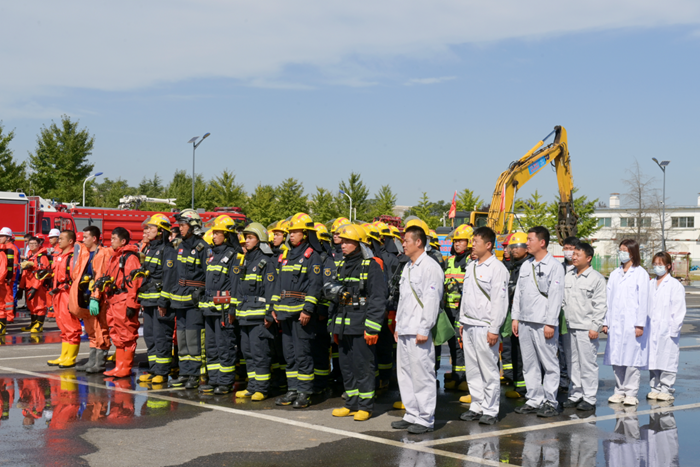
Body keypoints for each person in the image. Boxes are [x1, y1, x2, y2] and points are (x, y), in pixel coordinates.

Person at [328, 224, 387, 421]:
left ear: (359, 243)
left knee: (364, 367)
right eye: (341, 241)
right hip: (344, 324)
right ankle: (351, 403)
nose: (342, 245)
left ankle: (365, 406)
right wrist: (334, 326)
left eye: (346, 242)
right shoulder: (342, 264)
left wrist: (372, 328)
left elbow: (378, 298)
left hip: (362, 325)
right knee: (347, 366)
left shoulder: (371, 266)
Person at [391, 221, 444, 434]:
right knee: (405, 374)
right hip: (405, 328)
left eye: (406, 241)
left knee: (422, 374)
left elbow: (431, 300)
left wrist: (424, 328)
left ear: (418, 242)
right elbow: (403, 300)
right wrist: (397, 325)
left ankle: (425, 417)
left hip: (419, 330)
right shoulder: (408, 266)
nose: (403, 244)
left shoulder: (430, 267)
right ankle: (412, 413)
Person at [511, 226, 565, 418]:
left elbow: (556, 297)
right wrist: (515, 317)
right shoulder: (527, 265)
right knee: (529, 363)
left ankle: (551, 401)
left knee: (549, 363)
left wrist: (551, 323)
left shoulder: (555, 267)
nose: (527, 243)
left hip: (543, 323)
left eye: (530, 239)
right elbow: (519, 293)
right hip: (525, 321)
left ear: (542, 242)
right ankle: (534, 398)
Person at [458, 226, 509, 425]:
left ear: (488, 245)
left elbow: (500, 301)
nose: (472, 245)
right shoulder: (472, 266)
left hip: (485, 325)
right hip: (469, 324)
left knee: (488, 368)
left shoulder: (497, 269)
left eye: (476, 242)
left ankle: (490, 409)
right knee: (472, 368)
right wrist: (462, 321)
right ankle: (476, 405)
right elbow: (466, 296)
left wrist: (494, 328)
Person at [272, 213, 323, 409]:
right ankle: (292, 389)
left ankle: (304, 392)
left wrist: (308, 310)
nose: (291, 235)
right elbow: (277, 284)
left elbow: (315, 285)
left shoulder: (312, 256)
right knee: (290, 355)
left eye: (295, 232)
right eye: (290, 232)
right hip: (284, 313)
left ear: (305, 233)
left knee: (303, 355)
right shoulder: (284, 256)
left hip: (301, 315)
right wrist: (274, 307)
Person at [161, 209, 210, 389]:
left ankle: (195, 374)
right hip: (179, 297)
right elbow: (173, 273)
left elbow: (209, 275)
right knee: (181, 337)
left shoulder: (203, 248)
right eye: (180, 225)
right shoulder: (179, 246)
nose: (180, 229)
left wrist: (202, 291)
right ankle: (185, 372)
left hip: (194, 299)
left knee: (193, 337)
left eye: (183, 225)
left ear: (193, 226)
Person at [195, 215, 241, 395]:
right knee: (211, 346)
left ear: (227, 235)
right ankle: (214, 379)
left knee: (225, 346)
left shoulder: (234, 257)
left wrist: (231, 309)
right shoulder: (212, 255)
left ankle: (225, 382)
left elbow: (235, 286)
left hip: (223, 310)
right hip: (209, 309)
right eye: (213, 233)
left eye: (217, 233)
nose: (213, 236)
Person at [234, 222, 279, 400]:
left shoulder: (265, 262)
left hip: (259, 317)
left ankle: (261, 388)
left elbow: (272, 290)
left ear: (260, 240)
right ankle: (252, 386)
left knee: (260, 354)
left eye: (250, 238)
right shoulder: (246, 260)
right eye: (246, 237)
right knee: (248, 353)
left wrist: (269, 313)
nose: (246, 241)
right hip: (245, 315)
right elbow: (239, 289)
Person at [561, 242, 607, 411]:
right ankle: (576, 394)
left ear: (588, 258)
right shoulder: (568, 275)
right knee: (572, 362)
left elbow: (600, 305)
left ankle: (589, 397)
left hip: (586, 328)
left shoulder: (596, 279)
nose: (573, 257)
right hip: (569, 326)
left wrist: (595, 327)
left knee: (587, 363)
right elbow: (563, 301)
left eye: (577, 255)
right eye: (573, 254)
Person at [603, 239, 649, 406]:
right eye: (620, 250)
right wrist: (606, 322)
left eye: (624, 250)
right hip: (615, 323)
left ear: (632, 253)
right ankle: (619, 390)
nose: (621, 253)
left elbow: (643, 300)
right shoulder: (615, 274)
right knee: (616, 358)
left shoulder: (640, 273)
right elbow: (609, 300)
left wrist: (640, 324)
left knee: (631, 358)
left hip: (632, 324)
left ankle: (631, 392)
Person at [137, 214, 175, 386]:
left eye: (150, 228)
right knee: (150, 337)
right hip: (148, 301)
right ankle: (153, 369)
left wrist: (163, 301)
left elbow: (169, 278)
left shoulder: (168, 250)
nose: (147, 230)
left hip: (160, 301)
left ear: (161, 231)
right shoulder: (149, 249)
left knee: (162, 337)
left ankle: (162, 372)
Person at [73, 226, 114, 373]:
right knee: (91, 330)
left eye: (85, 237)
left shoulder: (101, 254)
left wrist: (95, 297)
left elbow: (100, 278)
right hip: (85, 296)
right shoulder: (85, 253)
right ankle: (92, 361)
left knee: (100, 328)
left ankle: (100, 362)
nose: (83, 240)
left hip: (98, 297)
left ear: (94, 238)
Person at [102, 227, 143, 378]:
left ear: (123, 241)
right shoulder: (115, 256)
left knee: (127, 335)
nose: (111, 241)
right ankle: (119, 366)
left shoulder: (129, 258)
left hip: (124, 300)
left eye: (114, 238)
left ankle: (125, 367)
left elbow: (135, 281)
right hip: (114, 300)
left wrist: (132, 305)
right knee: (117, 334)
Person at [646, 252, 686, 402]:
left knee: (667, 359)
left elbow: (679, 309)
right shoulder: (650, 284)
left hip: (667, 329)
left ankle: (666, 388)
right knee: (653, 360)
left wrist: (674, 329)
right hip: (652, 329)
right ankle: (655, 387)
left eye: (660, 264)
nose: (657, 267)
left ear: (668, 266)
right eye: (655, 264)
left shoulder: (675, 286)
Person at [442, 224, 472, 391]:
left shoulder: (471, 261)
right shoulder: (450, 261)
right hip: (449, 308)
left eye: (461, 240)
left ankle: (465, 378)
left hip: (464, 310)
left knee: (464, 345)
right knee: (453, 344)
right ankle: (456, 375)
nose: (457, 244)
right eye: (455, 241)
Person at [47, 230, 82, 368]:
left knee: (71, 326)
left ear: (70, 241)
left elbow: (75, 277)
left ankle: (71, 358)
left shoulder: (73, 256)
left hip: (67, 293)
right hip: (58, 293)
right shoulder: (59, 255)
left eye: (61, 238)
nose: (58, 240)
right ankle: (64, 355)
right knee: (62, 325)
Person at [501, 232, 529, 399]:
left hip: (525, 316)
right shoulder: (513, 266)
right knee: (514, 351)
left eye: (515, 247)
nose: (512, 250)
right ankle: (519, 386)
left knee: (523, 353)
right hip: (513, 314)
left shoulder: (526, 266)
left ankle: (524, 388)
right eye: (511, 247)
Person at [18, 236, 51, 333]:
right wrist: (21, 287)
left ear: (39, 245)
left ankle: (39, 325)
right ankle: (33, 323)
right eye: (30, 243)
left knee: (40, 305)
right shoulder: (30, 256)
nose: (32, 245)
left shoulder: (42, 257)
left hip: (38, 286)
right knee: (31, 305)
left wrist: (35, 288)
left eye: (34, 244)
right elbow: (25, 273)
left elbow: (42, 274)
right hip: (29, 285)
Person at [0, 228, 16, 327]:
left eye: (2, 236)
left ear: (8, 237)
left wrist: (10, 277)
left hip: (6, 280)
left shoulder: (10, 249)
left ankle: (9, 317)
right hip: (5, 279)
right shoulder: (4, 249)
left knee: (6, 300)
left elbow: (11, 266)